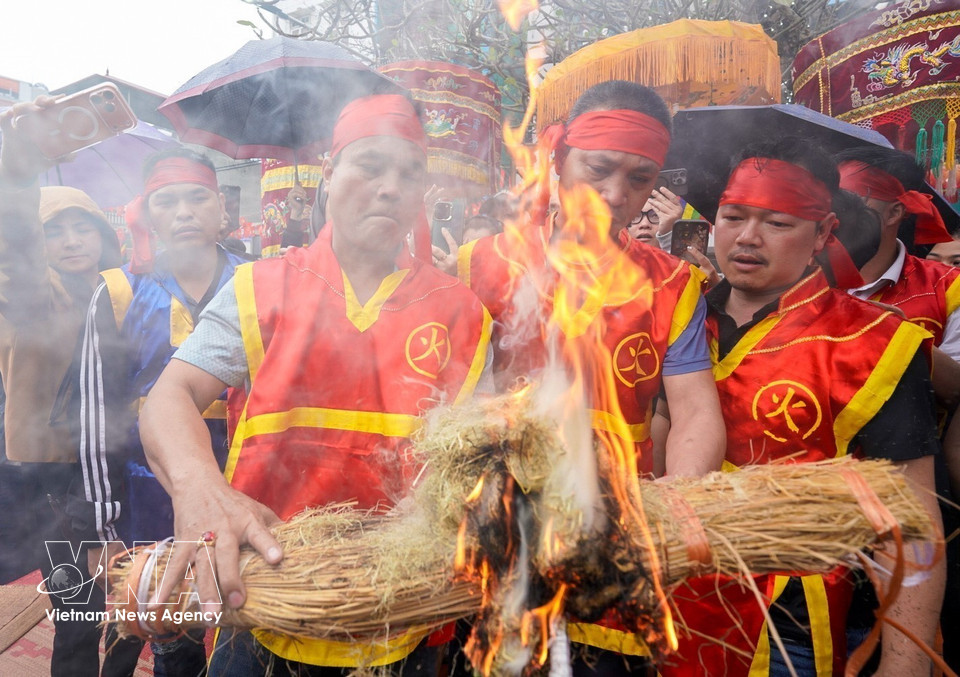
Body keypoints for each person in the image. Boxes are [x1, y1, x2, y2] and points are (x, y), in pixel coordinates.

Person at [138, 93, 492, 676]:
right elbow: (169, 397)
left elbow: (469, 458)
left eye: (410, 173)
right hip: (262, 595)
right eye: (369, 165)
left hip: (398, 615)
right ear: (329, 173)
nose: (390, 188)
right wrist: (198, 487)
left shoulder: (460, 310)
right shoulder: (263, 286)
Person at [445, 80, 725, 674]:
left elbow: (696, 411)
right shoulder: (480, 266)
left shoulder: (673, 287)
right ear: (556, 158)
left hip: (616, 535)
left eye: (641, 179)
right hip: (501, 534)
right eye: (598, 168)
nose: (616, 194)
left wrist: (671, 507)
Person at [664, 138, 944, 677]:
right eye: (734, 216)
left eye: (778, 222)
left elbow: (910, 521)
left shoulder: (874, 343)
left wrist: (906, 664)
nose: (747, 237)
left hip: (787, 618)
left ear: (823, 234)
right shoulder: (675, 319)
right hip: (666, 596)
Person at [78, 147, 251, 674]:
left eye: (198, 198)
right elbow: (94, 417)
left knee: (242, 613)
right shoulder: (118, 291)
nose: (183, 212)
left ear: (222, 208)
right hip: (150, 487)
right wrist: (101, 527)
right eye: (167, 201)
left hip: (244, 482)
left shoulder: (262, 283)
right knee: (170, 627)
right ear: (147, 214)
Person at [0, 96, 123, 675]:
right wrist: (20, 164)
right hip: (59, 489)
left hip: (128, 477)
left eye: (85, 228)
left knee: (138, 611)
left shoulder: (125, 295)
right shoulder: (35, 299)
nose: (73, 241)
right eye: (57, 232)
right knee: (78, 614)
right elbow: (16, 246)